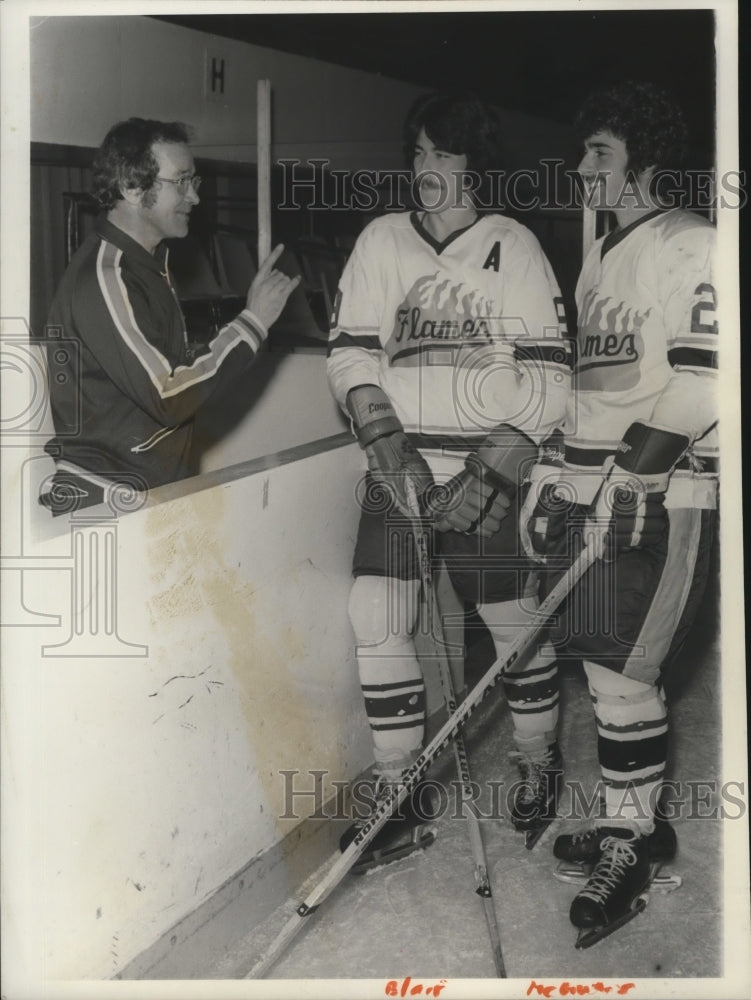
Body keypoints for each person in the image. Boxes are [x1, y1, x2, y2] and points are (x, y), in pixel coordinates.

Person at [326, 91, 572, 871]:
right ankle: (399, 792)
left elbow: (550, 378)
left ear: (474, 163)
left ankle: (536, 759)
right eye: (419, 153)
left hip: (483, 460)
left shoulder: (514, 246)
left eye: (444, 153)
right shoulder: (379, 241)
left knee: (508, 620)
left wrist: (493, 470)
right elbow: (350, 352)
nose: (427, 168)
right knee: (377, 612)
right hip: (400, 462)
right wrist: (380, 435)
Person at [517, 81, 718, 946]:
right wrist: (553, 474)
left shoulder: (694, 243)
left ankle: (630, 841)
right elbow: (590, 391)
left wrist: (630, 478)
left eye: (597, 153)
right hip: (596, 490)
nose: (580, 168)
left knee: (630, 672)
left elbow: (705, 379)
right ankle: (628, 823)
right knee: (603, 671)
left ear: (643, 160)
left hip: (665, 491)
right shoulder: (598, 255)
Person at [40, 118, 299, 513]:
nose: (194, 197)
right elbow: (168, 393)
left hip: (143, 495)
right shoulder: (106, 278)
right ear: (130, 186)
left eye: (195, 181)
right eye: (180, 181)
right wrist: (252, 322)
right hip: (104, 502)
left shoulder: (150, 266)